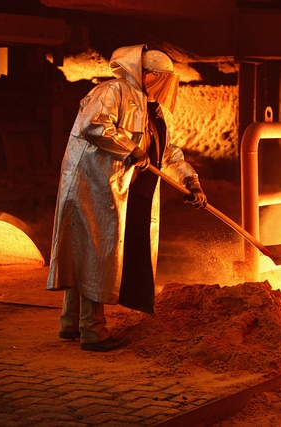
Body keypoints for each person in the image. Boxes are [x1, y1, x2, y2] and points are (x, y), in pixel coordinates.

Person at [46, 45, 207, 352]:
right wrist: (131, 149)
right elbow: (95, 126)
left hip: (121, 189)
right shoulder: (112, 91)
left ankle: (71, 323)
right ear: (143, 72)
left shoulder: (152, 110)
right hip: (94, 186)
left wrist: (191, 180)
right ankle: (93, 331)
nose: (162, 84)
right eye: (159, 77)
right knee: (96, 254)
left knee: (87, 253)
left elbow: (168, 152)